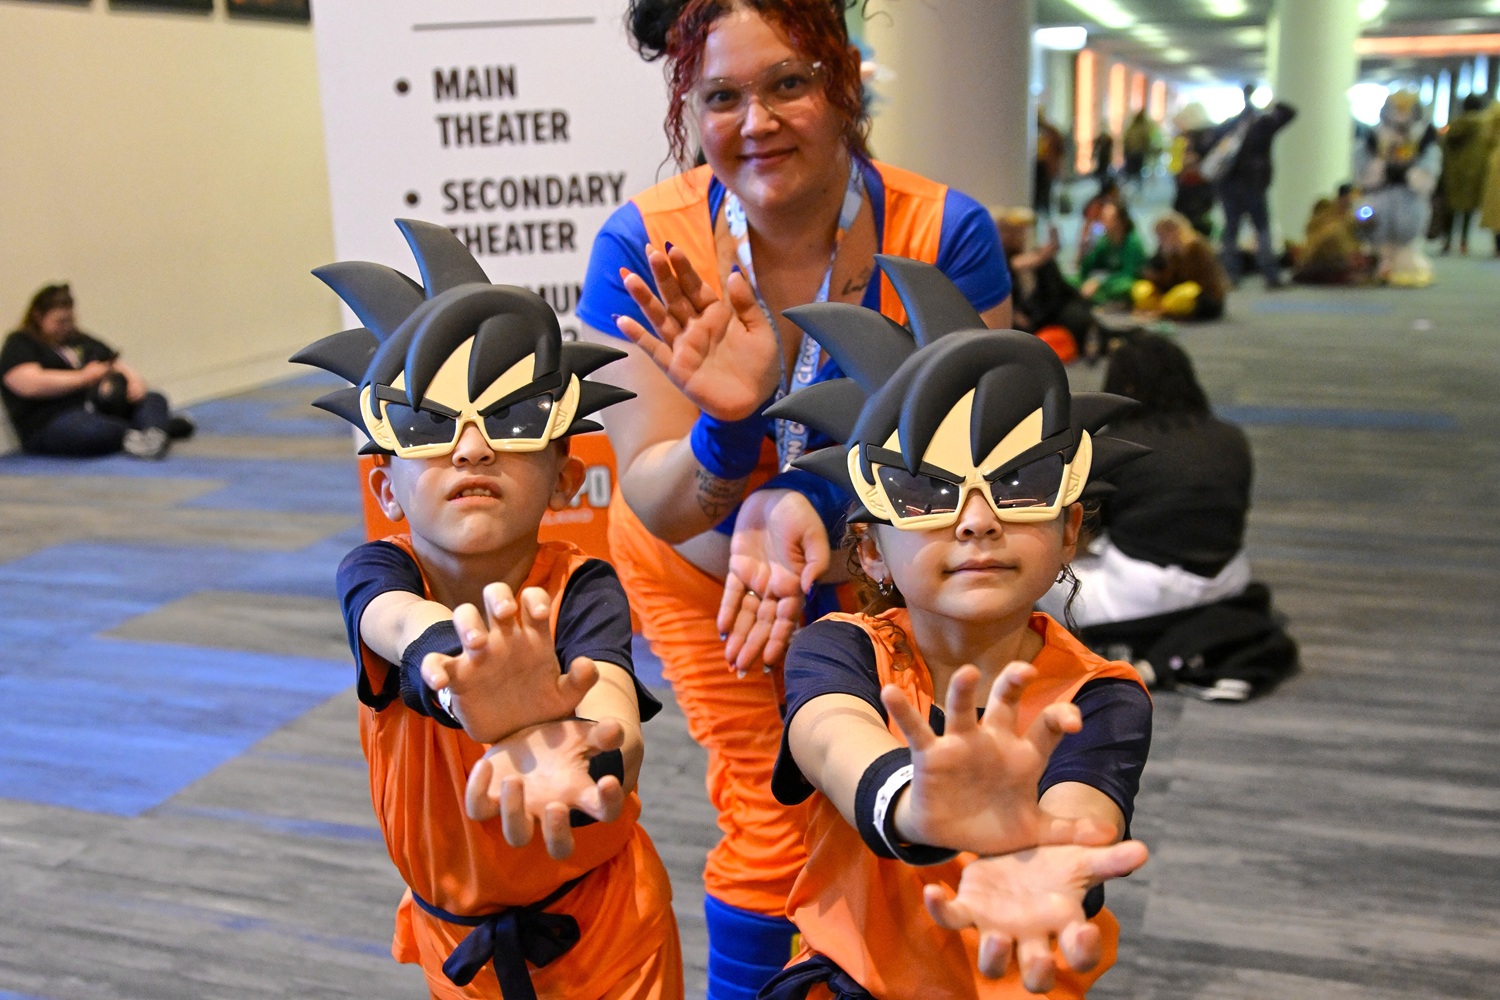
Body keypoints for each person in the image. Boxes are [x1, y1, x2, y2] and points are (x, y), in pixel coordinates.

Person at [577, 3, 1013, 995]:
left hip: (880, 566)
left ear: (845, 81)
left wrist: (816, 493)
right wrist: (735, 443)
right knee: (772, 820)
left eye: (788, 83)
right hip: (705, 581)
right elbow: (655, 491)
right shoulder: (647, 243)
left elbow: (985, 451)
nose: (757, 120)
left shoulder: (941, 231)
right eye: (721, 96)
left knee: (909, 801)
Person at [295, 219, 682, 1000]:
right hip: (458, 945)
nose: (471, 450)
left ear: (567, 479)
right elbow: (395, 624)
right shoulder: (380, 572)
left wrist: (588, 749)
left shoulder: (581, 585)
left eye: (511, 422)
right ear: (385, 490)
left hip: (607, 931)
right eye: (429, 427)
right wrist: (464, 677)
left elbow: (610, 707)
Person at [759, 257, 1152, 999]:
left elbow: (1081, 812)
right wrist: (917, 803)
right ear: (870, 549)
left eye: (1021, 484)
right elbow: (831, 737)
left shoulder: (1101, 697)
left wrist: (1043, 856)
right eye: (925, 493)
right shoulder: (841, 650)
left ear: (1068, 529)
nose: (977, 521)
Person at [1036, 333, 1252, 638]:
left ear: (1126, 386)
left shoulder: (1120, 446)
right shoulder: (1232, 437)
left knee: (1037, 575)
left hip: (1146, 595)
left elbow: (1082, 535)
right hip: (1228, 582)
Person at [1, 283, 194, 458]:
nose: (66, 327)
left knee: (154, 398)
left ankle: (150, 434)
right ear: (38, 317)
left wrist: (135, 382)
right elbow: (28, 384)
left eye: (70, 320)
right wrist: (83, 378)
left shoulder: (78, 339)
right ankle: (154, 429)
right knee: (90, 429)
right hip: (52, 419)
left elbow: (114, 362)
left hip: (100, 408)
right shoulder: (20, 343)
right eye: (60, 321)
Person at [1215, 85, 1296, 289]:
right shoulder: (1262, 124)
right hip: (1253, 185)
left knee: (1231, 231)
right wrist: (1273, 102)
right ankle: (1269, 274)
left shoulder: (1229, 126)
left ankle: (1231, 274)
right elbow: (1289, 112)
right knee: (1261, 229)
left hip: (1230, 186)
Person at [994, 207, 1095, 359]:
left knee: (1077, 315)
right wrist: (1050, 249)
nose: (1017, 235)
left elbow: (1056, 286)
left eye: (1019, 230)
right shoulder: (1000, 259)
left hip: (1049, 309)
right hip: (1020, 316)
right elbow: (1020, 263)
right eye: (1010, 231)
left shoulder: (1035, 256)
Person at [1132, 212, 1228, 321]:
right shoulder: (1167, 250)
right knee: (1142, 289)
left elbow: (1196, 282)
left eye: (1163, 234)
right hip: (1175, 291)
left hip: (1203, 296)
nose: (1160, 239)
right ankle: (1161, 309)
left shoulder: (1195, 247)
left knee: (1185, 293)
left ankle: (1160, 311)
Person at [1438, 95, 1491, 256]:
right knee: (1467, 210)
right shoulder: (1485, 127)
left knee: (1451, 209)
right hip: (1474, 173)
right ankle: (1463, 242)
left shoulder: (1457, 124)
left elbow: (1446, 143)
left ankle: (1447, 241)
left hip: (1455, 172)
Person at [1075, 202, 1146, 309]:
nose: (1101, 220)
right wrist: (1085, 244)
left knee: (1124, 286)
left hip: (1122, 281)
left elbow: (1128, 274)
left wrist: (1099, 282)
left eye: (1106, 217)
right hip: (1104, 279)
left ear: (1120, 220)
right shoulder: (1104, 240)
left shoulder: (1132, 242)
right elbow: (1086, 268)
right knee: (1071, 280)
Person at [1035, 107, 1065, 219]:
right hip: (1037, 168)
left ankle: (1047, 218)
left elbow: (1059, 152)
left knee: (1046, 197)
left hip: (1047, 169)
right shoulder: (1033, 131)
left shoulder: (1051, 133)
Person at [1120, 109, 1157, 190]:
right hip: (1138, 153)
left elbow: (1126, 140)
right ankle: (1135, 188)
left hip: (1131, 152)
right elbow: (1146, 141)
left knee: (1130, 171)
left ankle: (1128, 188)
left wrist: (1125, 151)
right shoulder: (1143, 128)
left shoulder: (1131, 128)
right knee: (1136, 172)